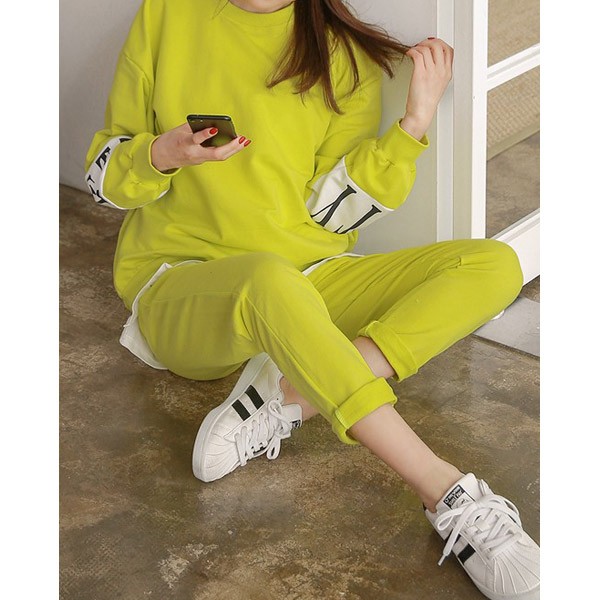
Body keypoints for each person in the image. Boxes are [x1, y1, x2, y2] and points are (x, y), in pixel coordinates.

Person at [85, 1, 540, 598]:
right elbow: (102, 178)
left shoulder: (340, 54)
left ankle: (290, 399)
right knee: (268, 280)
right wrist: (162, 155)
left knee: (495, 264)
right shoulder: (167, 12)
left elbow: (329, 215)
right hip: (180, 282)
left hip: (305, 276)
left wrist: (414, 122)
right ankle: (448, 493)